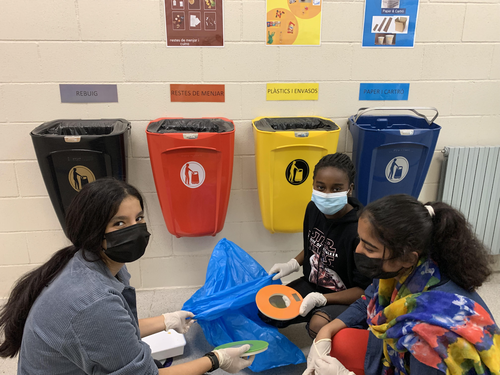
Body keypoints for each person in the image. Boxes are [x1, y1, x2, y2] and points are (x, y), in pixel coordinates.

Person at [0, 178, 254, 375]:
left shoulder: (95, 264)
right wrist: (215, 360)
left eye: (139, 218)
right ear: (93, 230)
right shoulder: (93, 301)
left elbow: (116, 332)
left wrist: (167, 319)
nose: (135, 229)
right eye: (119, 224)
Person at [303, 194, 500, 375]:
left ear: (406, 257)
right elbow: (368, 299)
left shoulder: (431, 340)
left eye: (369, 247)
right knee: (339, 339)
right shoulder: (410, 267)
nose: (359, 250)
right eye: (360, 240)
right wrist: (325, 331)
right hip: (401, 357)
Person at [268, 153, 372, 338]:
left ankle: (340, 324)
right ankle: (318, 313)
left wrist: (322, 299)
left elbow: (363, 290)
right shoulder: (313, 209)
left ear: (350, 189)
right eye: (321, 187)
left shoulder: (360, 229)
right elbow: (313, 246)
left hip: (345, 297)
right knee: (270, 312)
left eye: (336, 188)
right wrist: (292, 264)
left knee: (318, 325)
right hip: (312, 284)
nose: (327, 195)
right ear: (313, 184)